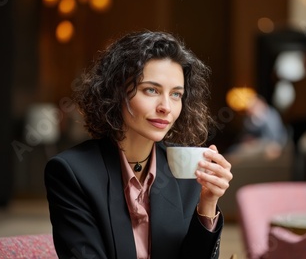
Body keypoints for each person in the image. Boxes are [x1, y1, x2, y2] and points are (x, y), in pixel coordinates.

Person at [44, 31, 233, 259]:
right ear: (116, 92)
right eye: (151, 90)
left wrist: (208, 202)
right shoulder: (72, 172)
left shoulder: (185, 171)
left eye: (176, 94)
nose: (166, 107)